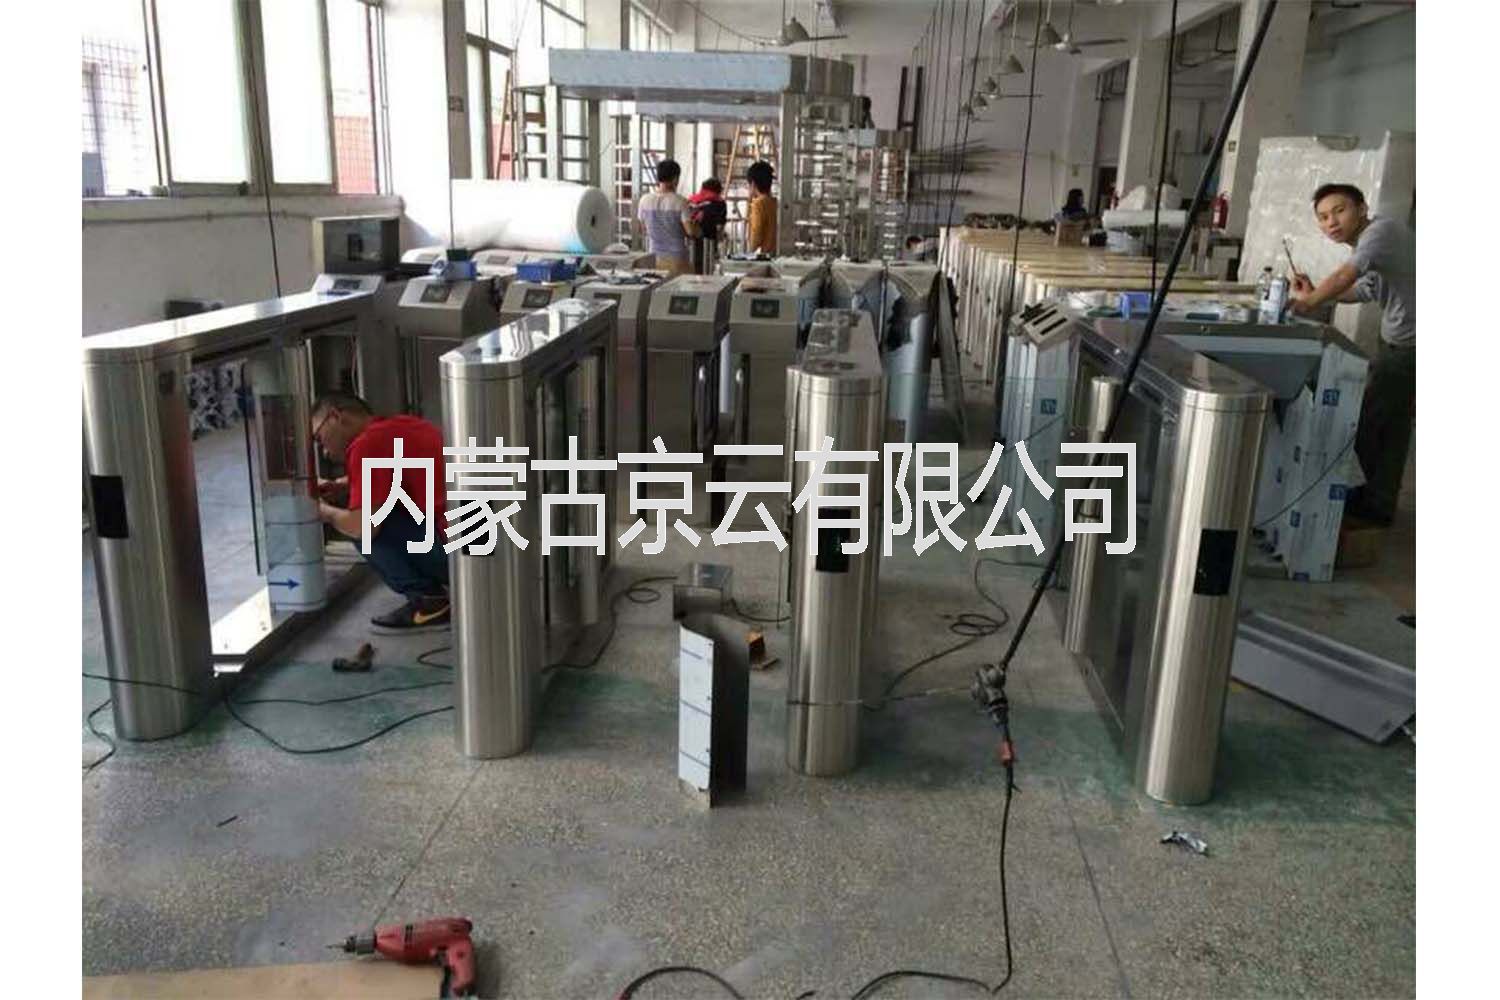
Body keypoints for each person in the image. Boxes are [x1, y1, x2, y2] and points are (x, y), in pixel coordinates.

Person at [1289, 182, 1416, 526]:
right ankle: (1378, 503)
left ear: (1362, 209)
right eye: (1323, 217)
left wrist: (1308, 303)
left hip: (1410, 345)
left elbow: (1347, 275)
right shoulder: (1374, 241)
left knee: (1372, 421)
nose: (1331, 222)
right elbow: (1360, 290)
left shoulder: (1379, 233)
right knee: (1392, 425)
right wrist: (1316, 292)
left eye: (1339, 211)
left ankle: (1364, 501)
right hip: (1398, 339)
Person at [311, 392, 451, 633]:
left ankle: (429, 603)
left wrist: (323, 511)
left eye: (319, 437)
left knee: (360, 528)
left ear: (335, 417)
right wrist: (343, 485)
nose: (323, 450)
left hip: (454, 553)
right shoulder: (403, 425)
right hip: (480, 544)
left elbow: (362, 527)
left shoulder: (366, 445)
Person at [636, 158, 694, 276]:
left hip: (654, 258)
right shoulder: (680, 201)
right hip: (677, 259)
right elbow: (690, 231)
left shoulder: (644, 200)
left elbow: (642, 229)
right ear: (675, 179)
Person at [688, 177, 728, 274]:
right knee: (706, 271)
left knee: (692, 269)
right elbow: (719, 227)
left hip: (690, 242)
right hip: (709, 242)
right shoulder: (720, 203)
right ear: (718, 191)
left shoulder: (691, 200)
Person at [746, 160, 778, 256]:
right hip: (775, 254)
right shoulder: (774, 203)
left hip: (762, 256)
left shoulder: (758, 204)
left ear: (753, 184)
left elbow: (756, 233)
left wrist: (750, 252)